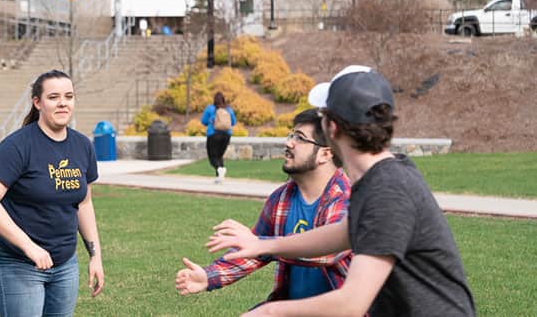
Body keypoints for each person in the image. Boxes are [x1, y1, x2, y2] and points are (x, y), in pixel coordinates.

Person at [207, 66, 475, 316]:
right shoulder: (381, 177)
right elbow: (343, 233)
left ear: (332, 128)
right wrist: (263, 244)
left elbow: (351, 304)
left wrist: (271, 311)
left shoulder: (387, 190)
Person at [176, 108, 352, 307]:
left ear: (325, 154)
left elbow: (328, 251)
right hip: (291, 307)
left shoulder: (346, 199)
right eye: (291, 135)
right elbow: (254, 251)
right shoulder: (281, 198)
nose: (289, 143)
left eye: (300, 138)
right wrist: (208, 276)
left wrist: (260, 243)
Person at [0, 70, 104, 316]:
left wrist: (95, 255)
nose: (63, 103)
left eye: (69, 96)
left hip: (65, 262)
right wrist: (29, 246)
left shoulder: (82, 146)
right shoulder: (17, 146)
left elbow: (84, 204)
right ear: (37, 102)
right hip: (18, 262)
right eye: (53, 97)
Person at [200, 91, 237, 184]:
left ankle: (219, 169)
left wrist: (210, 121)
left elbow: (203, 121)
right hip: (226, 135)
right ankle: (219, 177)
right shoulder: (229, 110)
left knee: (212, 157)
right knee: (219, 156)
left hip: (213, 135)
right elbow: (233, 122)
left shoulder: (210, 109)